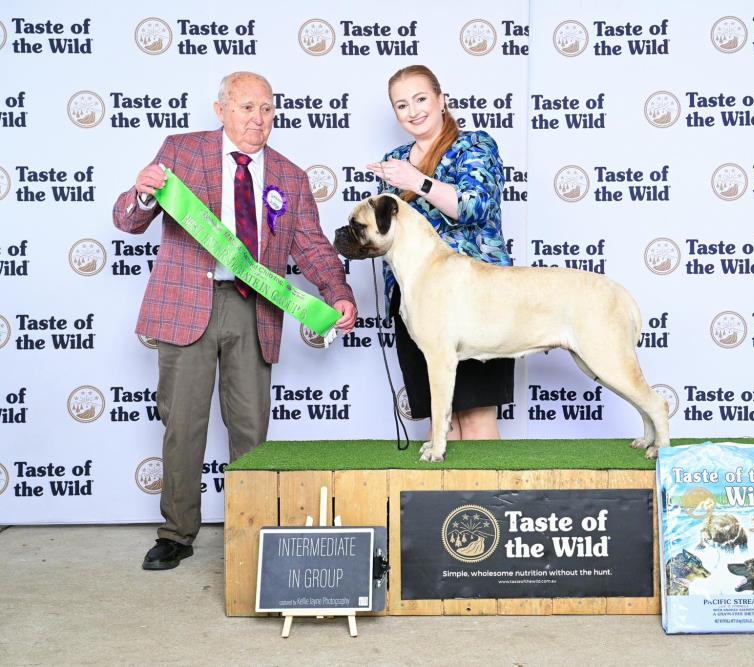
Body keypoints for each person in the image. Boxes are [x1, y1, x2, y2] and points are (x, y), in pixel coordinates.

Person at [112, 71, 357, 570]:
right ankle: (177, 533)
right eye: (246, 107)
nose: (258, 119)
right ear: (220, 110)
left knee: (250, 427)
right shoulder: (181, 151)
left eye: (266, 109)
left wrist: (337, 292)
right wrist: (141, 193)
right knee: (183, 425)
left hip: (254, 308)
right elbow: (127, 221)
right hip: (187, 305)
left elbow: (311, 246)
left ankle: (255, 530)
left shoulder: (290, 176)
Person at [366, 64, 512, 441]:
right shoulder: (396, 158)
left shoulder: (474, 145)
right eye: (402, 105)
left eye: (420, 99)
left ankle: (487, 486)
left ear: (441, 99)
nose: (413, 111)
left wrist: (417, 181)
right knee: (439, 423)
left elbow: (474, 207)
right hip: (414, 300)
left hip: (475, 297)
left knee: (476, 418)